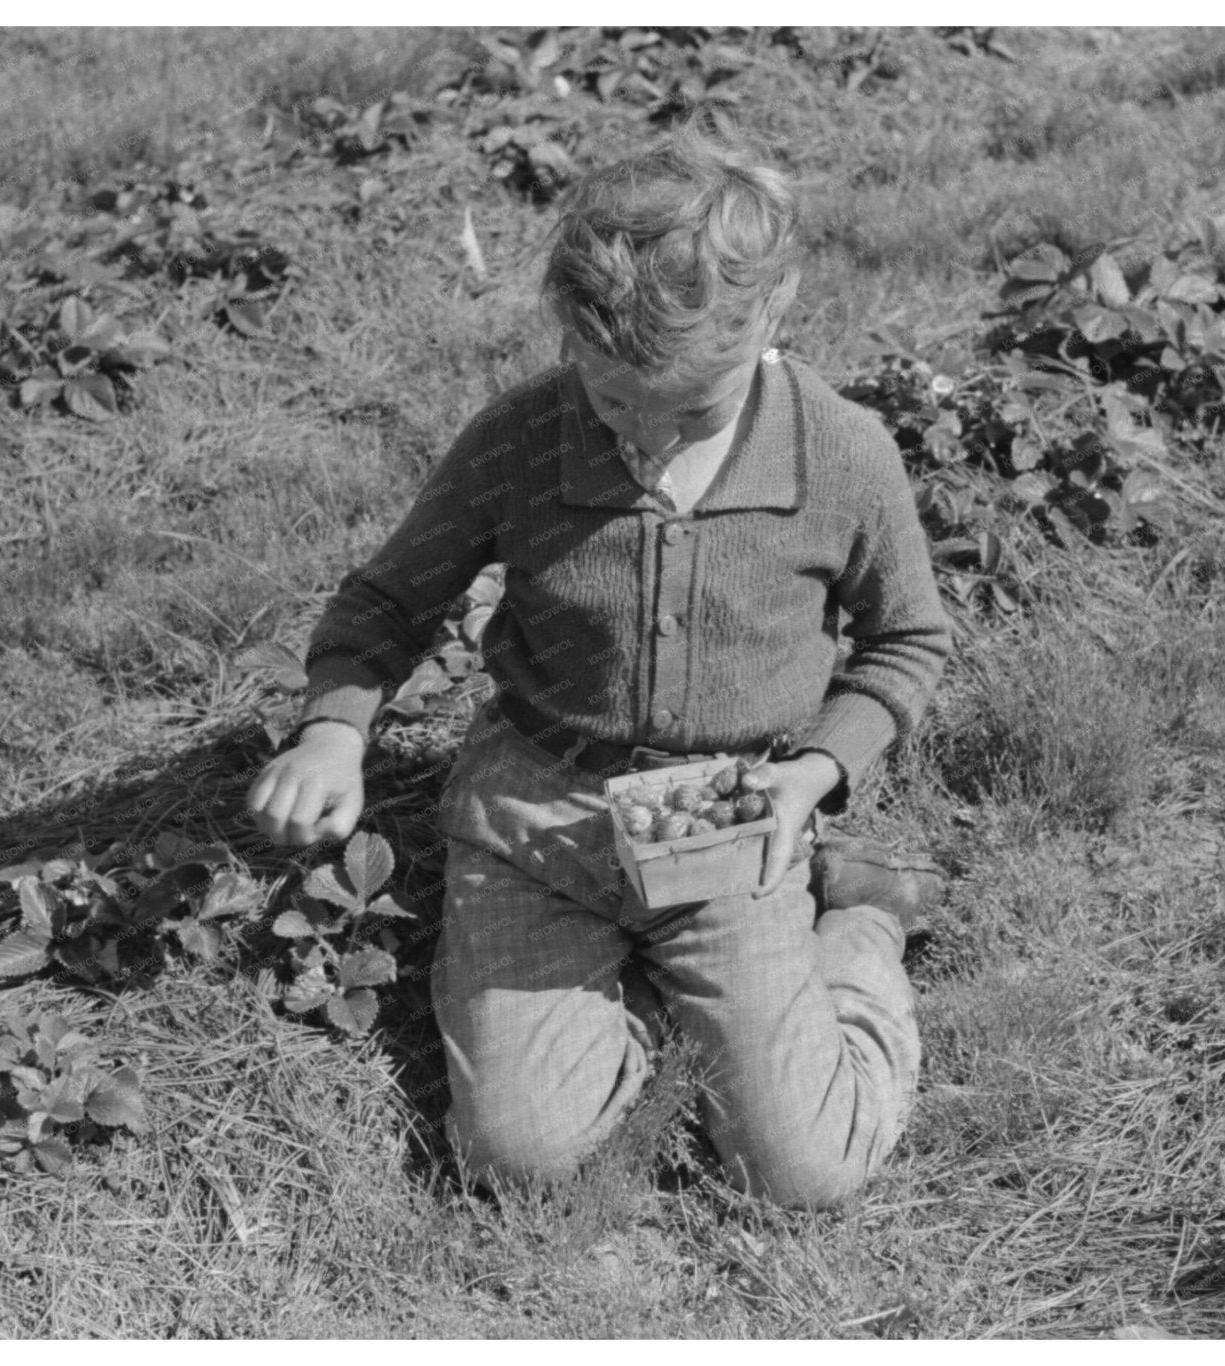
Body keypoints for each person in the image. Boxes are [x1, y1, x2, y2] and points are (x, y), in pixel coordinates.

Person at [247, 125, 952, 1210]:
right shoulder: (520, 440)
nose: (650, 438)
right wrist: (333, 727)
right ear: (571, 334)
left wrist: (811, 775)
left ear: (773, 313)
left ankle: (856, 924)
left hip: (733, 820)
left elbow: (907, 640)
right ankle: (659, 1001)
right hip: (535, 825)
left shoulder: (841, 453)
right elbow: (389, 598)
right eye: (617, 401)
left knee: (802, 1173)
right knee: (518, 1155)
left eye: (691, 407)